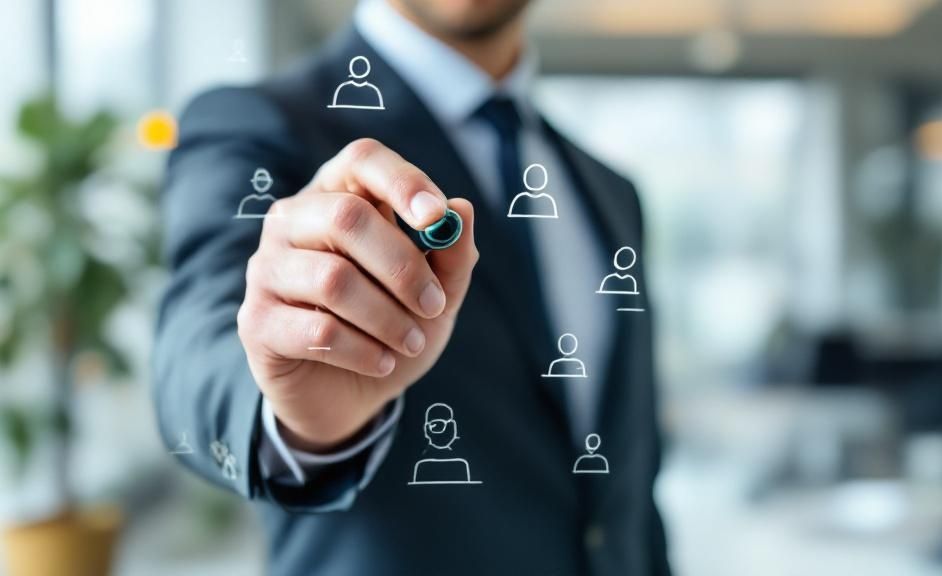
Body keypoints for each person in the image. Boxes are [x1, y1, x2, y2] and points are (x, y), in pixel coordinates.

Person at [155, 0, 670, 574]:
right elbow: (193, 352)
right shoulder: (253, 124)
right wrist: (294, 421)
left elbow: (631, 486)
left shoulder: (610, 193)